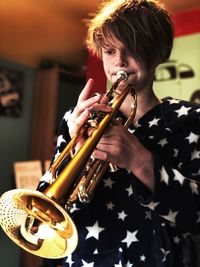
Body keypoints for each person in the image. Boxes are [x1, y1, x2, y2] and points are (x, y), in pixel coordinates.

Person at [38, 0, 200, 266]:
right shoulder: (79, 116)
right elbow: (45, 207)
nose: (119, 62)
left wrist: (140, 159)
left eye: (133, 50)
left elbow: (195, 215)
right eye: (110, 51)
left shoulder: (190, 121)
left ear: (160, 53)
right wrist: (76, 148)